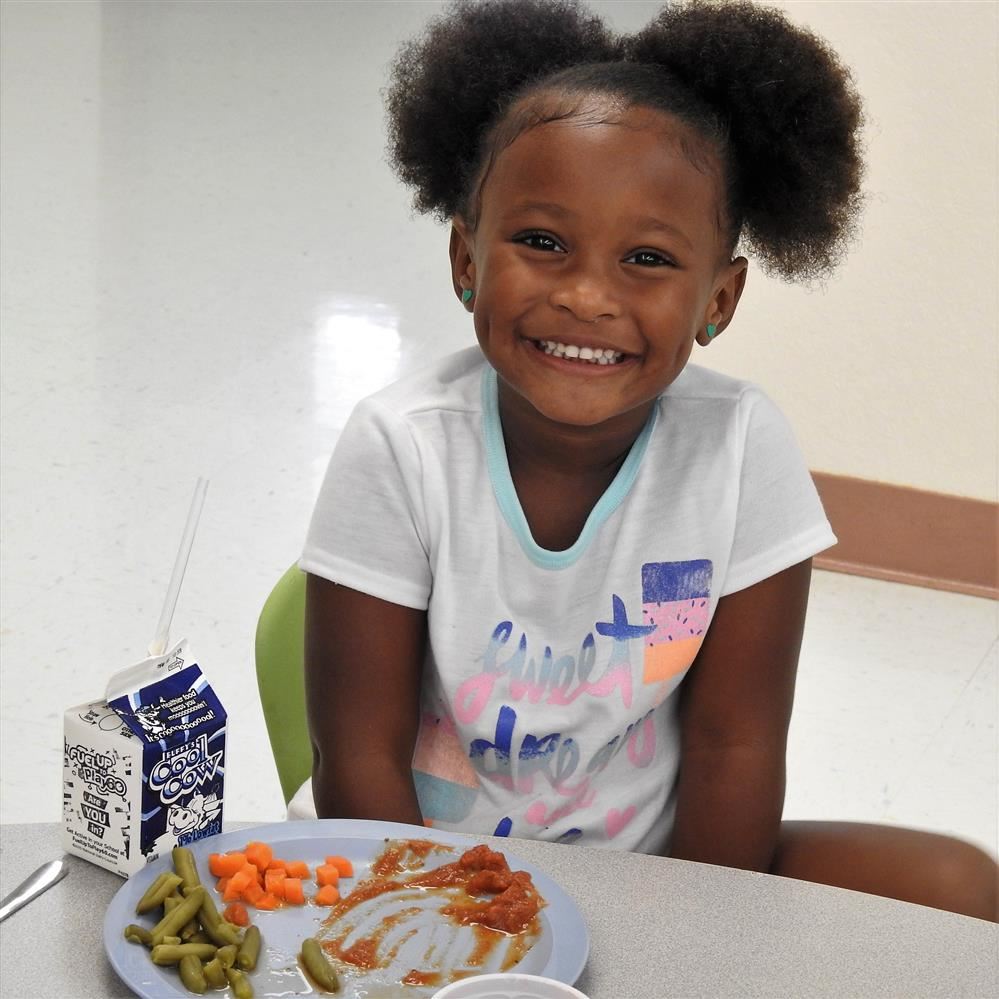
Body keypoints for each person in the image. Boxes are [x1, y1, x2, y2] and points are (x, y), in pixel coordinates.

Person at [290, 0, 998, 921]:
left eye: (648, 258)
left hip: (660, 871)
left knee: (956, 889)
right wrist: (452, 939)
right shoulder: (401, 445)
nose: (587, 295)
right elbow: (358, 762)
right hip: (424, 876)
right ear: (466, 257)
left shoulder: (742, 445)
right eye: (542, 242)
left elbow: (734, 747)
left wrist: (681, 947)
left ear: (720, 297)